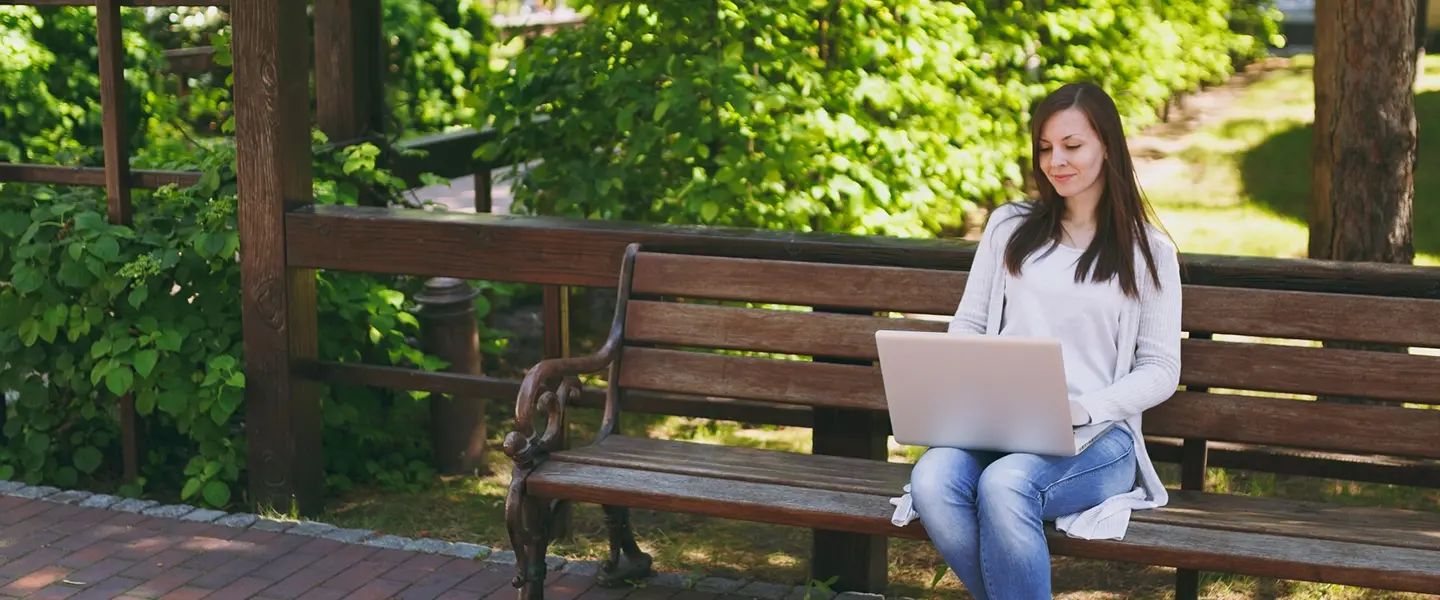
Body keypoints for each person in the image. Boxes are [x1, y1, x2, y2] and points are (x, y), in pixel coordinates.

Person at [904, 82, 1183, 599]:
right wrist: (954, 394)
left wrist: (1085, 407)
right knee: (933, 479)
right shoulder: (1009, 228)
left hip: (1099, 437)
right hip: (999, 427)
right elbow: (968, 324)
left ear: (1108, 146)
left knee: (1005, 485)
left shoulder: (1149, 253)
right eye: (1046, 148)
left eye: (1072, 146)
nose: (1057, 161)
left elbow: (1162, 368)